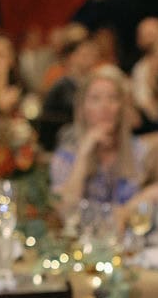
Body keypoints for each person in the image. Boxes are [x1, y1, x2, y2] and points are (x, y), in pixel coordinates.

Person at [50, 65, 139, 213]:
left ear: (121, 107)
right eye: (95, 99)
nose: (105, 106)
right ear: (82, 108)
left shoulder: (138, 151)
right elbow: (66, 211)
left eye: (113, 98)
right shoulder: (65, 156)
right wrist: (84, 153)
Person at [37, 32, 98, 150]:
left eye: (92, 55)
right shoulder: (61, 86)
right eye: (84, 55)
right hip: (63, 144)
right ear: (72, 57)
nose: (90, 59)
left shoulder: (92, 84)